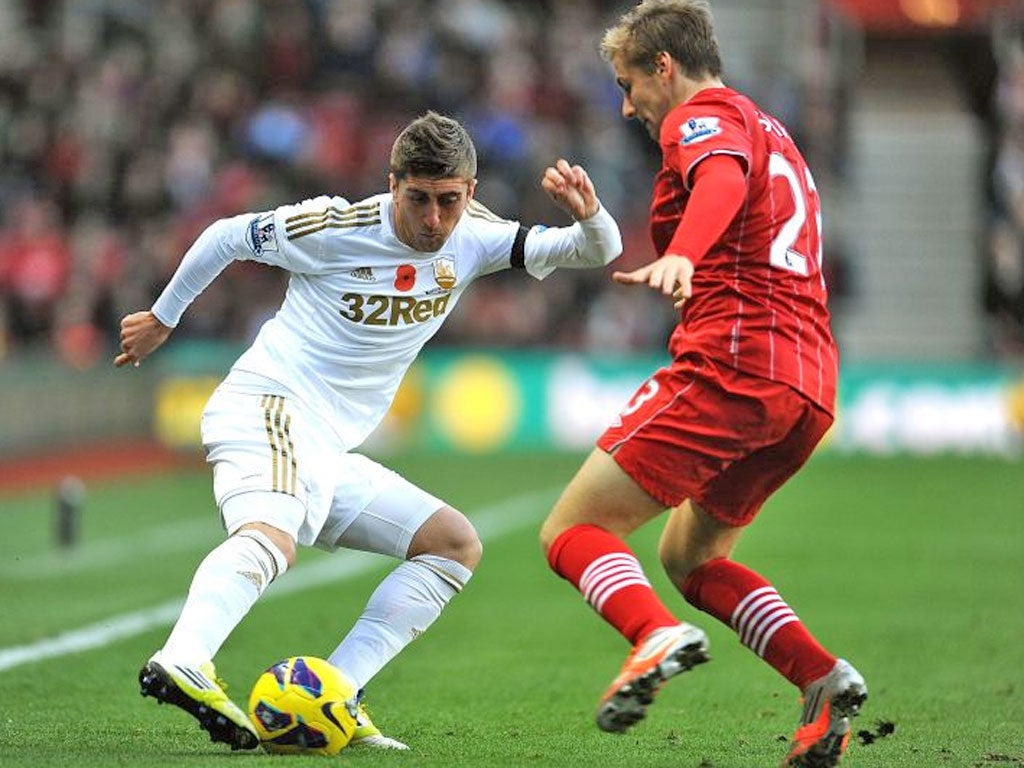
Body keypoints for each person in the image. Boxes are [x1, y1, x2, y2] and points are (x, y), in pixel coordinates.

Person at [116, 111, 622, 752]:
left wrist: (590, 214)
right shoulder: (336, 226)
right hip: (269, 406)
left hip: (325, 446)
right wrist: (163, 319)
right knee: (272, 535)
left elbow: (597, 251)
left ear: (470, 191)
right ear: (392, 186)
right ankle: (184, 658)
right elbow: (225, 236)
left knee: (452, 544)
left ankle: (337, 694)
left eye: (449, 201)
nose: (434, 220)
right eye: (418, 199)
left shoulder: (479, 237)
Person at [537, 3, 867, 767]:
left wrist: (683, 252)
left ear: (664, 67)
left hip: (736, 365)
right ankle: (821, 680)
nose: (626, 106)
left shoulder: (704, 116)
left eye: (628, 84)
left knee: (572, 531)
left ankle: (653, 635)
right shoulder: (769, 126)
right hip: (808, 384)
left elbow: (719, 178)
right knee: (690, 558)